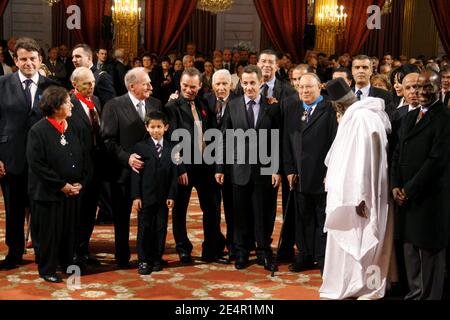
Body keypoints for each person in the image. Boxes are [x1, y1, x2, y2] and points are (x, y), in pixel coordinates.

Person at [319, 77, 393, 300]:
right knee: (357, 242)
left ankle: (363, 286)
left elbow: (363, 161)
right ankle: (355, 284)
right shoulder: (363, 114)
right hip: (353, 193)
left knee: (362, 242)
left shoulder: (360, 118)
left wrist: (362, 197)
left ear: (338, 106)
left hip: (360, 195)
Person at [215, 65, 282, 271]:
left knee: (263, 213)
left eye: (253, 82)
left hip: (264, 171)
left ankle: (264, 252)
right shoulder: (233, 106)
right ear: (240, 83)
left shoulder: (272, 107)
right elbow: (224, 139)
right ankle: (242, 252)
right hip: (239, 170)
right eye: (245, 83)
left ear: (261, 83)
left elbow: (276, 141)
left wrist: (276, 169)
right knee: (240, 213)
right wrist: (219, 167)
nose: (249, 87)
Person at [391, 70, 450, 300]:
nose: (422, 92)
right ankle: (415, 295)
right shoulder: (408, 117)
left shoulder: (445, 118)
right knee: (411, 254)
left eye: (428, 87)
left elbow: (436, 161)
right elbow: (397, 154)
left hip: (429, 201)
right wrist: (395, 186)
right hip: (406, 200)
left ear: (440, 88)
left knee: (428, 257)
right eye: (418, 87)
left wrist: (409, 189)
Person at [0, 37, 58, 270]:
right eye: (23, 59)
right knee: (13, 208)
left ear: (40, 59)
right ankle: (14, 253)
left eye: (32, 59)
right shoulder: (1, 84)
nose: (28, 63)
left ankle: (43, 253)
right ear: (15, 60)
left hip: (43, 161)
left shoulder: (52, 87)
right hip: (10, 157)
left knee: (41, 208)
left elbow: (59, 121)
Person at [101, 67, 162, 268]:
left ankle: (148, 255)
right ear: (132, 86)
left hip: (150, 174)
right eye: (146, 83)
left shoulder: (155, 104)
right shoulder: (114, 105)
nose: (151, 87)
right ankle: (122, 256)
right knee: (122, 217)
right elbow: (108, 141)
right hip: (123, 173)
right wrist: (127, 158)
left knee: (149, 217)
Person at [26, 86, 88, 283]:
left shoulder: (73, 126)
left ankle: (66, 264)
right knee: (49, 234)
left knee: (68, 232)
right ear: (54, 106)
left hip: (72, 192)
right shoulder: (38, 130)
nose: (71, 105)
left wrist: (80, 182)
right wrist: (62, 185)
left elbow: (82, 156)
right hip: (48, 193)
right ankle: (48, 269)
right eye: (66, 102)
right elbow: (37, 164)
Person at [165, 68, 226, 264]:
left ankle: (212, 248)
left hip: (206, 164)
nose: (189, 90)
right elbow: (172, 139)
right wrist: (179, 167)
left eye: (193, 86)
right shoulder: (172, 106)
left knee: (212, 207)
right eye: (185, 86)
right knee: (180, 209)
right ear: (180, 85)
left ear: (200, 86)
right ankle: (183, 248)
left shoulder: (204, 103)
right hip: (185, 166)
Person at [283, 73, 338, 274]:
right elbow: (286, 143)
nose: (304, 91)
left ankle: (323, 258)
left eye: (309, 87)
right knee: (302, 219)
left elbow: (335, 144)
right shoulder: (292, 109)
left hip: (322, 176)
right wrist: (289, 169)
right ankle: (305, 255)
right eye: (301, 87)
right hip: (299, 177)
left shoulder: (330, 109)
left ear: (320, 87)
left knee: (322, 220)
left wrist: (331, 172)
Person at [131, 111, 179, 275]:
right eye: (152, 127)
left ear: (166, 127)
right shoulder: (140, 147)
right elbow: (136, 175)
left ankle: (157, 258)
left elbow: (174, 175)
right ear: (147, 127)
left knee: (161, 228)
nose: (156, 130)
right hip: (145, 197)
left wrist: (172, 195)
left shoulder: (172, 148)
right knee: (144, 228)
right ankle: (144, 260)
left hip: (163, 197)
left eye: (159, 127)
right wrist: (136, 196)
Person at [68, 67, 104, 270]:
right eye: (86, 83)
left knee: (90, 211)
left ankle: (83, 250)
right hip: (78, 169)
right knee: (77, 213)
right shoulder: (69, 105)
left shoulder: (96, 101)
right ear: (75, 85)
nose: (91, 86)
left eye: (92, 82)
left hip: (95, 167)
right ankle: (72, 253)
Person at [204, 69, 237, 261]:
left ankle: (234, 246)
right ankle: (214, 246)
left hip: (233, 164)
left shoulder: (239, 101)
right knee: (212, 208)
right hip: (209, 163)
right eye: (218, 84)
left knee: (233, 208)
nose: (221, 88)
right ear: (212, 85)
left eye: (225, 84)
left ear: (231, 85)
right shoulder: (206, 100)